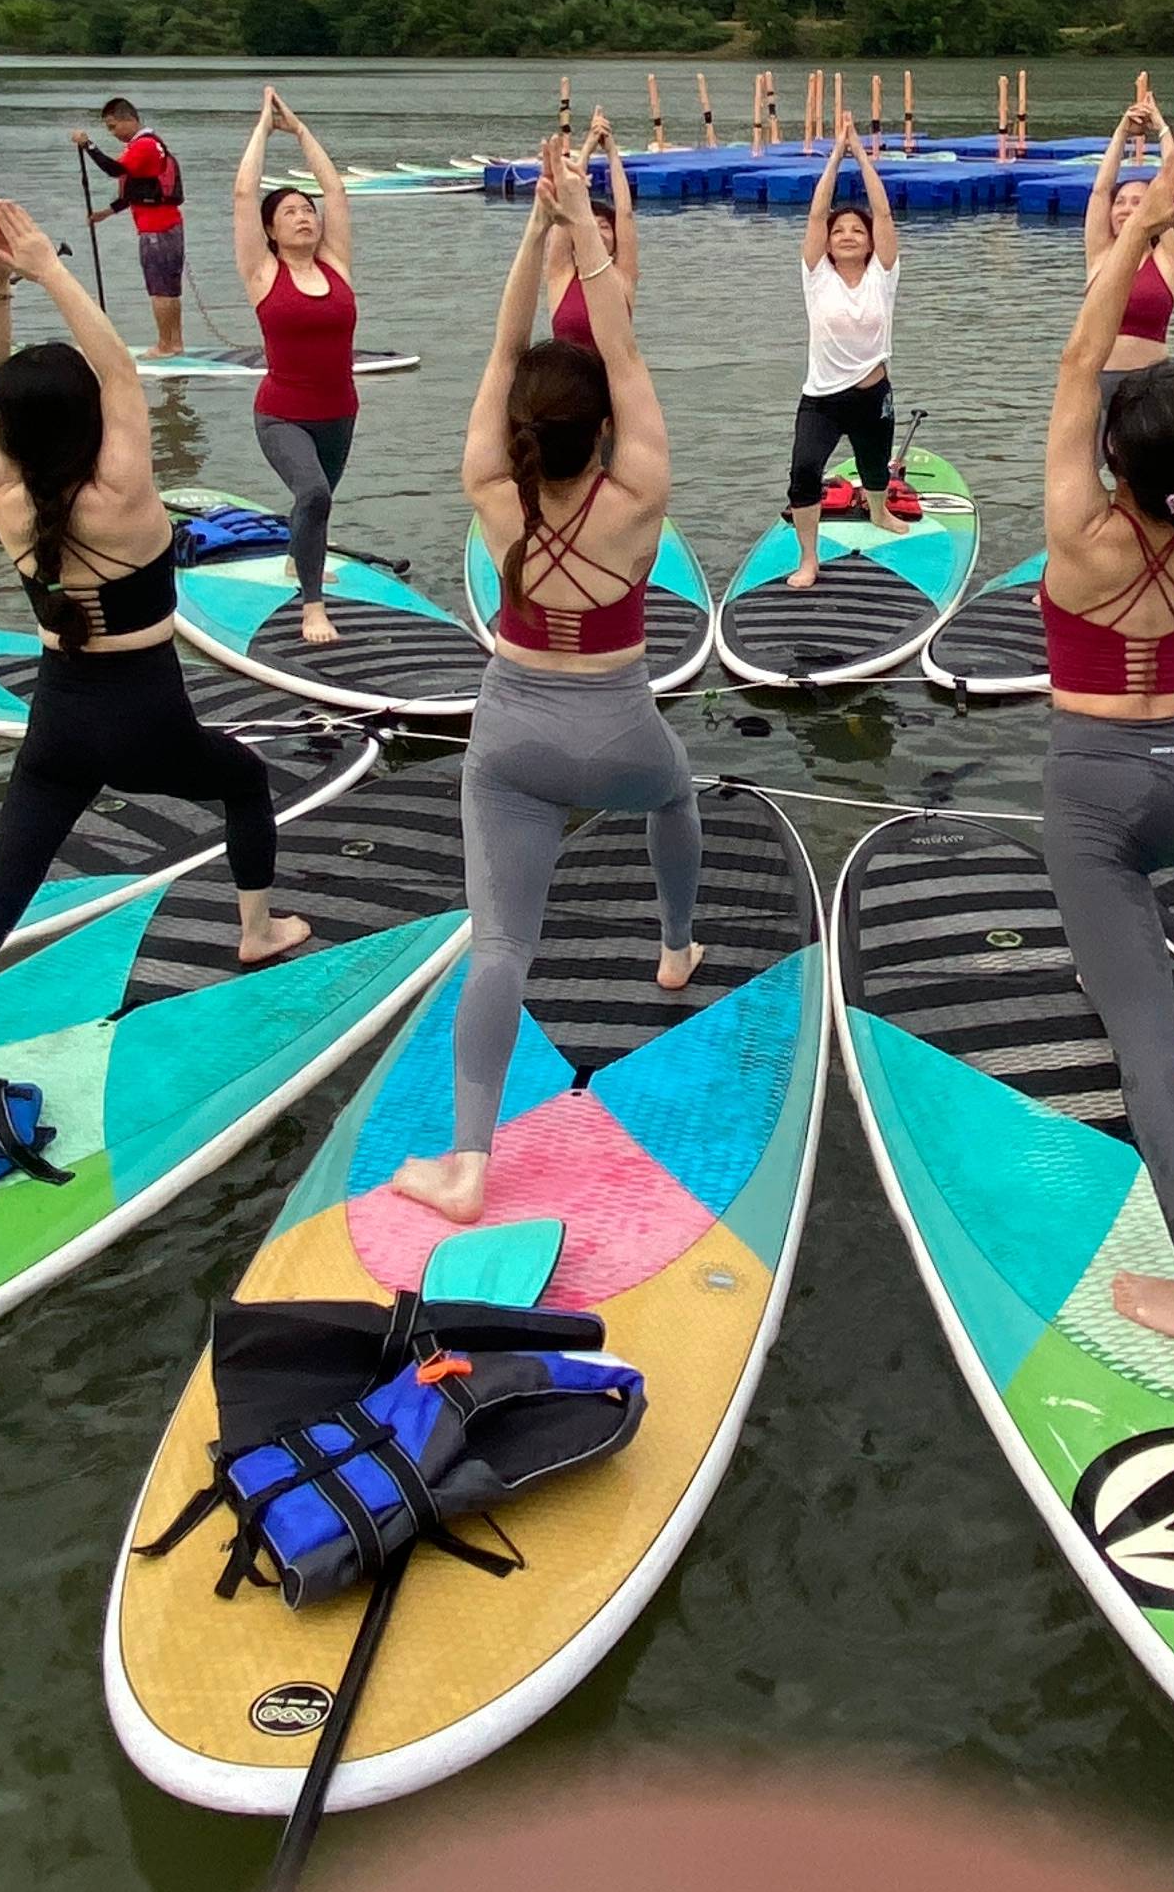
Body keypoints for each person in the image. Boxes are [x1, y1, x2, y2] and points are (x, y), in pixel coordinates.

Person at [0, 198, 302, 1081]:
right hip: (147, 719)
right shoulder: (122, 493)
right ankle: (258, 931)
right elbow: (121, 373)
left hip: (59, 724)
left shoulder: (5, 499)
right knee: (243, 778)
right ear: (88, 420)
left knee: (3, 891)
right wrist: (47, 269)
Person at [390, 141, 704, 1221]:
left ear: (522, 428)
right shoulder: (640, 488)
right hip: (620, 723)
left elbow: (500, 350)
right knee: (675, 795)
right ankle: (674, 946)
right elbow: (619, 350)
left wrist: (535, 239)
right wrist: (584, 226)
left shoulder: (489, 483)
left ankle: (470, 1162)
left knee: (500, 948)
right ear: (605, 423)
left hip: (513, 730)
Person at [1038, 127, 1174, 1349]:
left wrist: (1138, 229)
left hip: (1098, 789)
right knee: (1121, 921)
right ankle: (1113, 941)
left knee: (1143, 1042)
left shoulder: (1083, 534)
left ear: (1116, 454)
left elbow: (1082, 353)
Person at [234, 86, 360, 647]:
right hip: (282, 413)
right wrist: (263, 127)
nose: (305, 216)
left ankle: (296, 559)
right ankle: (313, 606)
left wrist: (301, 129)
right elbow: (243, 194)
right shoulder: (264, 274)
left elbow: (335, 188)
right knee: (313, 494)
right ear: (270, 231)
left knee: (317, 503)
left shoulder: (335, 264)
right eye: (290, 211)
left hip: (339, 413)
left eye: (307, 210)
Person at [781, 114, 910, 590]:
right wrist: (836, 155)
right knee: (804, 469)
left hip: (874, 396)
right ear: (829, 246)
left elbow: (885, 213)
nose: (849, 234)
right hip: (822, 398)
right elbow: (817, 214)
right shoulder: (816, 277)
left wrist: (863, 155)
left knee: (876, 468)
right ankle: (809, 558)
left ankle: (878, 512)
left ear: (870, 240)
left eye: (858, 229)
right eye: (840, 232)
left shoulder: (884, 275)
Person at [1083, 99, 1174, 416]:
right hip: (1097, 383)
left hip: (1152, 387)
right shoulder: (1101, 255)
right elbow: (1100, 191)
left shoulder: (1165, 259)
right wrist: (1122, 131)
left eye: (1138, 202)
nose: (1126, 208)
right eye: (1121, 202)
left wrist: (1162, 128)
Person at [76, 94, 192, 355]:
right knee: (170, 290)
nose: (113, 133)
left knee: (160, 290)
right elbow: (137, 190)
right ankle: (175, 343)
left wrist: (88, 145)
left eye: (113, 126)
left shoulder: (143, 146)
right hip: (170, 224)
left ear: (128, 119)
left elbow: (114, 170)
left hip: (156, 229)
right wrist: (106, 212)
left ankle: (165, 346)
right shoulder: (152, 144)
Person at [540, 112, 641, 354]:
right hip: (564, 383)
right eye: (591, 225)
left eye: (605, 227)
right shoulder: (561, 275)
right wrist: (587, 147)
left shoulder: (623, 276)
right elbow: (566, 203)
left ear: (616, 243)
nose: (597, 231)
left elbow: (625, 213)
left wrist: (612, 153)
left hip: (610, 383)